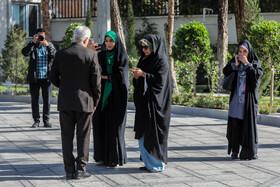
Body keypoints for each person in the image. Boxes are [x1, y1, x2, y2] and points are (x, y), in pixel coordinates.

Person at [50, 26, 101, 179]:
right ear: (86, 39)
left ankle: (68, 169)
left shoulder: (60, 54)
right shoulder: (91, 55)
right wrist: (95, 101)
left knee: (66, 136)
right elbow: (96, 83)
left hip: (65, 101)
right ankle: (81, 170)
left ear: (74, 37)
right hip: (85, 102)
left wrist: (64, 87)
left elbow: (53, 77)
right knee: (83, 136)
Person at [130, 34, 171, 172]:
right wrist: (137, 77)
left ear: (154, 46)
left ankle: (157, 164)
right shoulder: (144, 60)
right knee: (143, 132)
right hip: (144, 104)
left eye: (146, 47)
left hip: (157, 106)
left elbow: (161, 82)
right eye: (142, 47)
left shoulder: (161, 61)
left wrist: (144, 75)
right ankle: (148, 163)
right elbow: (139, 82)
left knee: (154, 134)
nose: (144, 50)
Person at [92, 30, 129, 167]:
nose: (108, 43)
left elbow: (122, 75)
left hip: (116, 96)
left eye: (111, 41)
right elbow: (95, 69)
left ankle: (114, 158)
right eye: (106, 41)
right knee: (101, 124)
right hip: (101, 96)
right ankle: (102, 157)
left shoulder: (121, 56)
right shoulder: (100, 55)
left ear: (116, 42)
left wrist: (108, 77)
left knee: (114, 127)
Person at [223, 40, 263, 160]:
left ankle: (249, 151)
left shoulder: (254, 63)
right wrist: (234, 66)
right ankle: (235, 150)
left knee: (248, 126)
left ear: (249, 52)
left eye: (244, 52)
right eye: (240, 51)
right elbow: (225, 72)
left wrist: (247, 64)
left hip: (248, 102)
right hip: (236, 100)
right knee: (235, 125)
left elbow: (256, 78)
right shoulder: (235, 62)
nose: (242, 54)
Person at [22, 28, 56, 128]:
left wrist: (48, 45)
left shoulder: (49, 45)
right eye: (38, 35)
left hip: (46, 78)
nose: (40, 37)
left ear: (45, 35)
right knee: (34, 100)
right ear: (35, 36)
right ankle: (36, 120)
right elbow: (25, 52)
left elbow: (54, 55)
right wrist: (33, 42)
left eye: (42, 35)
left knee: (47, 101)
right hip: (35, 78)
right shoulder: (33, 45)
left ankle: (46, 120)